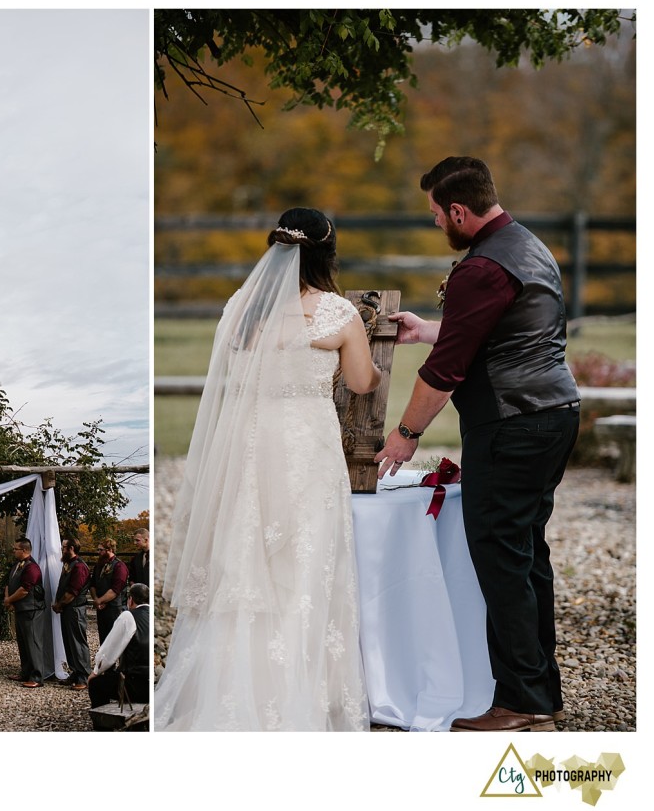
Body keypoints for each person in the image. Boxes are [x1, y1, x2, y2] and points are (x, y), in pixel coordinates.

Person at [375, 156, 580, 733]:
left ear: (459, 211)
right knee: (525, 556)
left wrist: (406, 434)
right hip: (554, 414)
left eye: (437, 214)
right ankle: (541, 692)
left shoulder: (481, 268)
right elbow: (501, 328)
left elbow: (445, 372)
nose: (437, 222)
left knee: (502, 561)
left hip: (513, 426)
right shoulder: (525, 244)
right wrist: (429, 328)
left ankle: (521, 702)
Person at [156, 208, 381, 731]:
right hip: (307, 450)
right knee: (305, 561)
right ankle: (299, 692)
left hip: (251, 444)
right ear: (326, 252)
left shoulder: (241, 308)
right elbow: (362, 380)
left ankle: (234, 689)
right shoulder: (338, 314)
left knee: (245, 555)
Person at [88, 583, 150, 716]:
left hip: (135, 685)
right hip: (153, 684)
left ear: (131, 600)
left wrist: (96, 671)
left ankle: (103, 727)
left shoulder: (128, 616)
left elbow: (110, 649)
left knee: (96, 684)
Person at [4, 538, 47, 688]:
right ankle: (26, 671)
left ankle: (37, 676)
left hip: (32, 609)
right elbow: (10, 583)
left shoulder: (32, 568)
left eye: (16, 549)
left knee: (33, 642)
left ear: (24, 550)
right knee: (23, 642)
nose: (14, 551)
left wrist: (10, 600)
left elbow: (24, 590)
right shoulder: (17, 565)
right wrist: (8, 599)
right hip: (20, 608)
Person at [52, 536, 91, 690]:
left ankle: (83, 676)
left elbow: (73, 592)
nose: (62, 549)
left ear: (71, 548)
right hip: (66, 609)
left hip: (74, 609)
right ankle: (75, 671)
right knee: (68, 641)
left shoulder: (79, 567)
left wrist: (60, 604)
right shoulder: (68, 564)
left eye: (64, 547)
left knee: (77, 642)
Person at [91, 538, 128, 644]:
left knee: (115, 640)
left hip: (114, 608)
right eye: (98, 550)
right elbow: (93, 584)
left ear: (110, 550)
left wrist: (100, 601)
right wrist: (96, 599)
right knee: (103, 638)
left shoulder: (119, 566)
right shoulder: (98, 566)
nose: (98, 552)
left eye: (101, 550)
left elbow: (115, 590)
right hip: (101, 608)